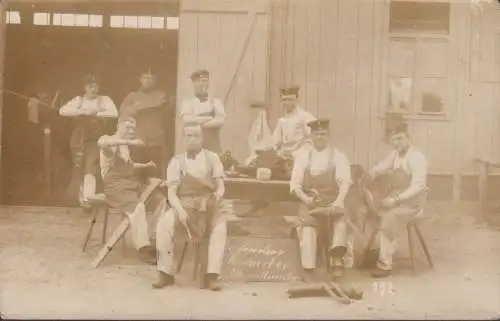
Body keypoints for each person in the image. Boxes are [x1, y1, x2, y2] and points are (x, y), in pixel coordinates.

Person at [154, 124, 227, 291]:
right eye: (188, 135)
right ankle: (165, 272)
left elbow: (220, 186)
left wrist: (217, 197)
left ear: (202, 138)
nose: (192, 139)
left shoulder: (213, 158)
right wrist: (180, 211)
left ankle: (212, 275)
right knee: (164, 224)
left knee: (220, 228)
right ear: (183, 138)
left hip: (207, 203)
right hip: (184, 203)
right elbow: (172, 193)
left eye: (196, 135)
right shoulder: (176, 162)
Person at [364, 119, 428, 278]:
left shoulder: (417, 157)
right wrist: (372, 173)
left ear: (408, 137)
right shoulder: (395, 154)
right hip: (398, 197)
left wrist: (396, 200)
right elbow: (383, 166)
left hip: (413, 202)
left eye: (400, 138)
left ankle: (385, 264)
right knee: (373, 211)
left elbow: (418, 185)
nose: (396, 143)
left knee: (389, 217)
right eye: (393, 140)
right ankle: (377, 252)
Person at [290, 119, 353, 279]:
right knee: (308, 225)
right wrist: (306, 199)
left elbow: (344, 182)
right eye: (317, 134)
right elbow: (295, 185)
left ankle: (336, 261)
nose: (320, 137)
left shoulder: (338, 156)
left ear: (328, 135)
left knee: (340, 219)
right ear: (311, 136)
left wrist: (339, 201)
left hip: (332, 200)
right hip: (311, 202)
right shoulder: (304, 157)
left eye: (323, 134)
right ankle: (309, 268)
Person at [97, 116, 158, 265]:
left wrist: (145, 165)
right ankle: (143, 248)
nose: (131, 131)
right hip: (115, 186)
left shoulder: (124, 148)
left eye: (133, 128)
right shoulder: (110, 141)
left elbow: (128, 166)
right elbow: (101, 143)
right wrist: (130, 141)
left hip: (129, 184)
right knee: (138, 208)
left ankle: (154, 237)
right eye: (127, 127)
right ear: (118, 126)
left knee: (161, 200)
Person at [59, 74, 118, 205]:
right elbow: (62, 111)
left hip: (95, 139)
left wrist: (97, 113)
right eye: (91, 86)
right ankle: (82, 199)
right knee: (78, 166)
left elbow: (114, 113)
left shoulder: (104, 100)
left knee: (90, 166)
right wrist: (81, 112)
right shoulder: (78, 100)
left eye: (96, 86)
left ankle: (88, 198)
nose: (94, 89)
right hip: (78, 139)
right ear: (85, 87)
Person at [119, 69, 168, 180]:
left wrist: (139, 107)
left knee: (155, 173)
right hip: (137, 140)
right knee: (137, 172)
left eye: (151, 78)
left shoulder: (160, 94)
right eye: (145, 78)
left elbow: (161, 104)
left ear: (155, 81)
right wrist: (135, 109)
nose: (148, 81)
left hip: (155, 141)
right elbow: (123, 112)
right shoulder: (132, 95)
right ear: (140, 79)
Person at [179, 69, 226, 154]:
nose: (202, 84)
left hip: (212, 145)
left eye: (205, 81)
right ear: (193, 83)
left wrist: (197, 122)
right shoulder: (188, 102)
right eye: (198, 81)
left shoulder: (215, 102)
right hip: (193, 146)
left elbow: (221, 121)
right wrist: (209, 118)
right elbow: (187, 119)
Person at [273, 86, 317, 160]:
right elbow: (275, 142)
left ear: (297, 99)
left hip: (301, 155)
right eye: (284, 100)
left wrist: (296, 153)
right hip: (284, 156)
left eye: (290, 100)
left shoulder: (305, 117)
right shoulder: (281, 120)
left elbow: (313, 140)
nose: (287, 103)